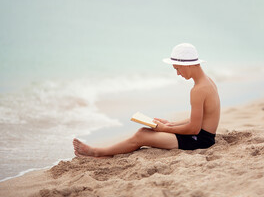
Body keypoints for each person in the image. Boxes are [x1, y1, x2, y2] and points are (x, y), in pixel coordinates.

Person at [73, 43, 220, 157]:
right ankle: (104, 153)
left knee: (142, 135)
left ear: (186, 65)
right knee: (144, 130)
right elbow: (200, 118)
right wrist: (171, 124)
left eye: (177, 68)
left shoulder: (198, 90)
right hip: (203, 136)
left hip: (200, 141)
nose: (177, 73)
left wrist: (165, 129)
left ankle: (97, 152)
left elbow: (194, 128)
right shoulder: (207, 81)